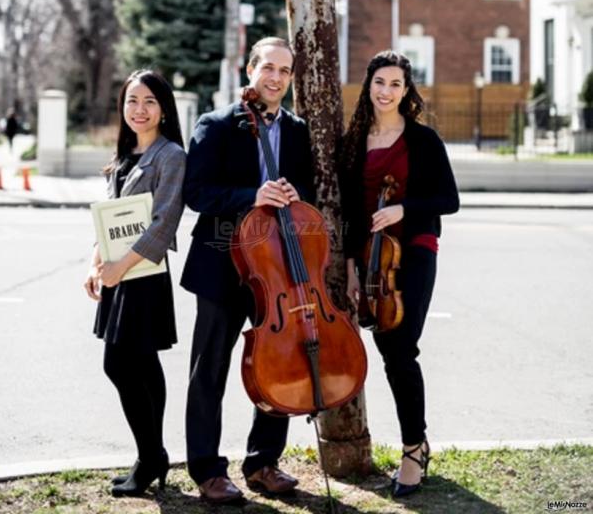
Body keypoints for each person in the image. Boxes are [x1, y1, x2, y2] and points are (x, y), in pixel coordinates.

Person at [180, 37, 315, 504]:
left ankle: (263, 463)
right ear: (250, 70)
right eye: (268, 68)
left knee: (280, 363)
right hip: (222, 262)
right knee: (209, 369)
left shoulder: (297, 130)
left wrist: (298, 197)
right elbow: (197, 193)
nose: (275, 78)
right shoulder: (216, 124)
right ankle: (207, 470)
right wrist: (251, 195)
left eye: (284, 71)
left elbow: (309, 192)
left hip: (275, 268)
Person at [339, 50, 459, 498]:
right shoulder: (354, 140)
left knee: (400, 345)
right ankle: (417, 442)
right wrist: (351, 268)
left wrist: (402, 209)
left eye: (396, 84)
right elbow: (350, 212)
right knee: (388, 344)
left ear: (406, 91)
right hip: (369, 259)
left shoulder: (423, 141)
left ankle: (413, 447)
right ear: (368, 85)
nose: (386, 91)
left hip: (415, 251)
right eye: (380, 82)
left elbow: (449, 199)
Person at [83, 69, 186, 497]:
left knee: (121, 364)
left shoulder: (171, 156)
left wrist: (118, 268)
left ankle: (150, 457)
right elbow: (107, 219)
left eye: (148, 102)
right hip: (118, 274)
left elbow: (163, 226)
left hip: (143, 275)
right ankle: (152, 455)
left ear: (163, 110)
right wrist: (93, 265)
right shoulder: (124, 156)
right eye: (131, 101)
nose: (139, 110)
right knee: (140, 364)